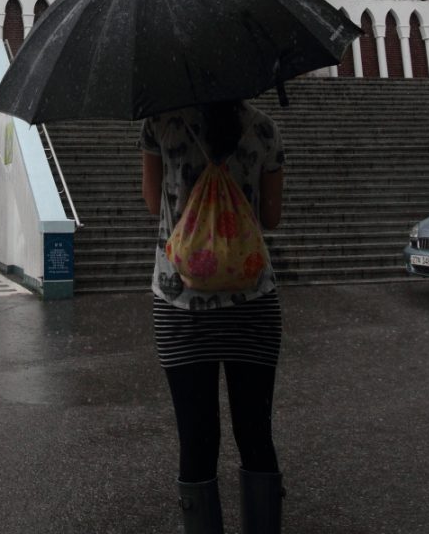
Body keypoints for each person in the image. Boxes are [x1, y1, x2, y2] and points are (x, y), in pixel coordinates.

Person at [141, 99, 285, 534]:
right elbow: (272, 218)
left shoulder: (160, 123)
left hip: (179, 303)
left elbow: (152, 204)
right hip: (253, 302)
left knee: (197, 441)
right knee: (256, 436)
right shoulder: (263, 130)